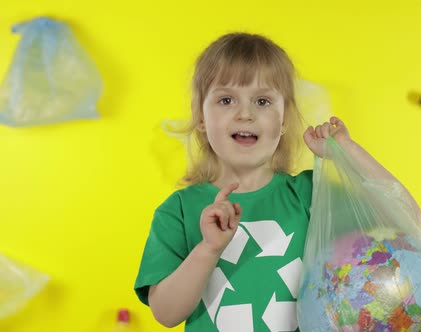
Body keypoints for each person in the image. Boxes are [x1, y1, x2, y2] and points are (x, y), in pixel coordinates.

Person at [134, 32, 398, 331]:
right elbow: (166, 314)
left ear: (284, 120)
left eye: (262, 100)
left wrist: (346, 152)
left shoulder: (311, 195)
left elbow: (404, 216)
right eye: (226, 99)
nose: (245, 113)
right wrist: (208, 249)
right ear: (202, 119)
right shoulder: (178, 211)